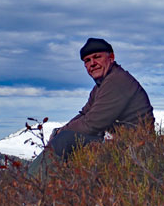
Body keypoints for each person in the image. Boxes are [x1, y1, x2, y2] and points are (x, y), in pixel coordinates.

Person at [28, 38, 154, 175]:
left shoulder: (116, 81)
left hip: (136, 147)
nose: (92, 64)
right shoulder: (102, 85)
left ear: (111, 57)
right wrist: (61, 130)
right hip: (121, 143)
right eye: (87, 61)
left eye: (97, 57)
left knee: (65, 141)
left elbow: (92, 124)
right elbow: (84, 114)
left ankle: (32, 183)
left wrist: (60, 133)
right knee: (66, 139)